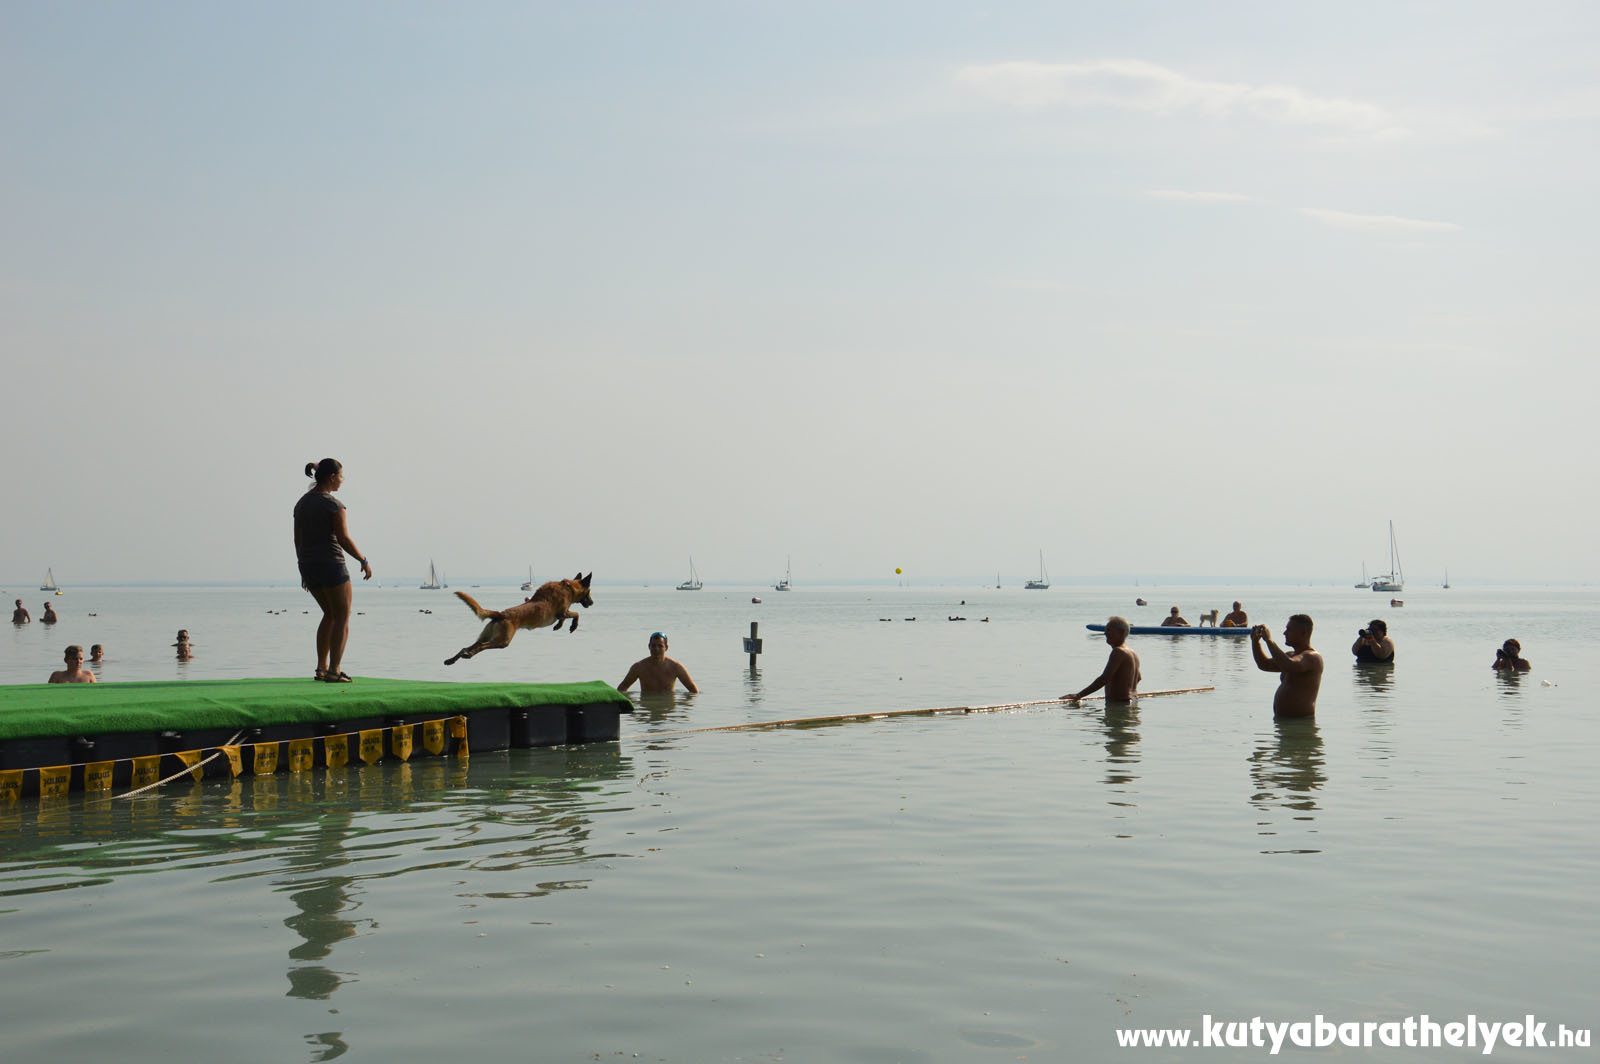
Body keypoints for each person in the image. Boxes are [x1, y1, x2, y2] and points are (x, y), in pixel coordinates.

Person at [294, 458, 372, 683]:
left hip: (308, 566)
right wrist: (363, 559)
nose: (342, 480)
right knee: (342, 616)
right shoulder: (333, 505)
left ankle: (321, 668)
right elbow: (343, 538)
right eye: (341, 476)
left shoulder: (301, 504)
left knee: (329, 615)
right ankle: (335, 670)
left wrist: (303, 569)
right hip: (331, 565)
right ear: (331, 477)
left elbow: (297, 540)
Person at [1251, 615, 1323, 718]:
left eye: (1289, 630)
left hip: (1301, 723)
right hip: (1282, 721)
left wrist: (1269, 641)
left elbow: (1288, 665)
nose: (1284, 633)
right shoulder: (1290, 655)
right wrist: (1255, 642)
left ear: (1303, 633)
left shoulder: (1312, 657)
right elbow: (1264, 664)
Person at [1063, 616, 1142, 702]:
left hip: (1119, 703)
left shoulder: (1118, 651)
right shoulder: (1132, 653)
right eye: (1105, 630)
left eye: (1109, 630)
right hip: (1133, 701)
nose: (1105, 633)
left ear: (1121, 633)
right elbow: (1138, 677)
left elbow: (1105, 678)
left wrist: (1079, 695)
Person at [618, 632, 699, 694]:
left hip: (668, 709)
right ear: (649, 646)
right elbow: (622, 688)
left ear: (666, 647)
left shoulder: (676, 667)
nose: (656, 649)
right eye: (653, 646)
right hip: (647, 708)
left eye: (660, 646)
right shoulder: (639, 667)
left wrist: (682, 708)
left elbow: (694, 691)